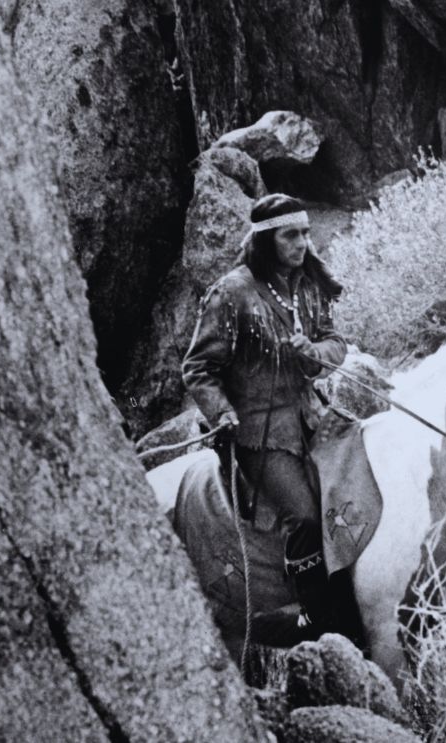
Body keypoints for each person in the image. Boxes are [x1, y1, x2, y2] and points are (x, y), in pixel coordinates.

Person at [182, 193, 358, 645]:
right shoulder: (231, 293)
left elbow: (336, 343)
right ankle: (314, 616)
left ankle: (355, 596)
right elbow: (198, 368)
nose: (302, 243)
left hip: (311, 415)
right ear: (265, 240)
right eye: (290, 235)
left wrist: (313, 353)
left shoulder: (309, 284)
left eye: (305, 233)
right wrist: (222, 413)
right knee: (303, 515)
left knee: (357, 481)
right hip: (258, 433)